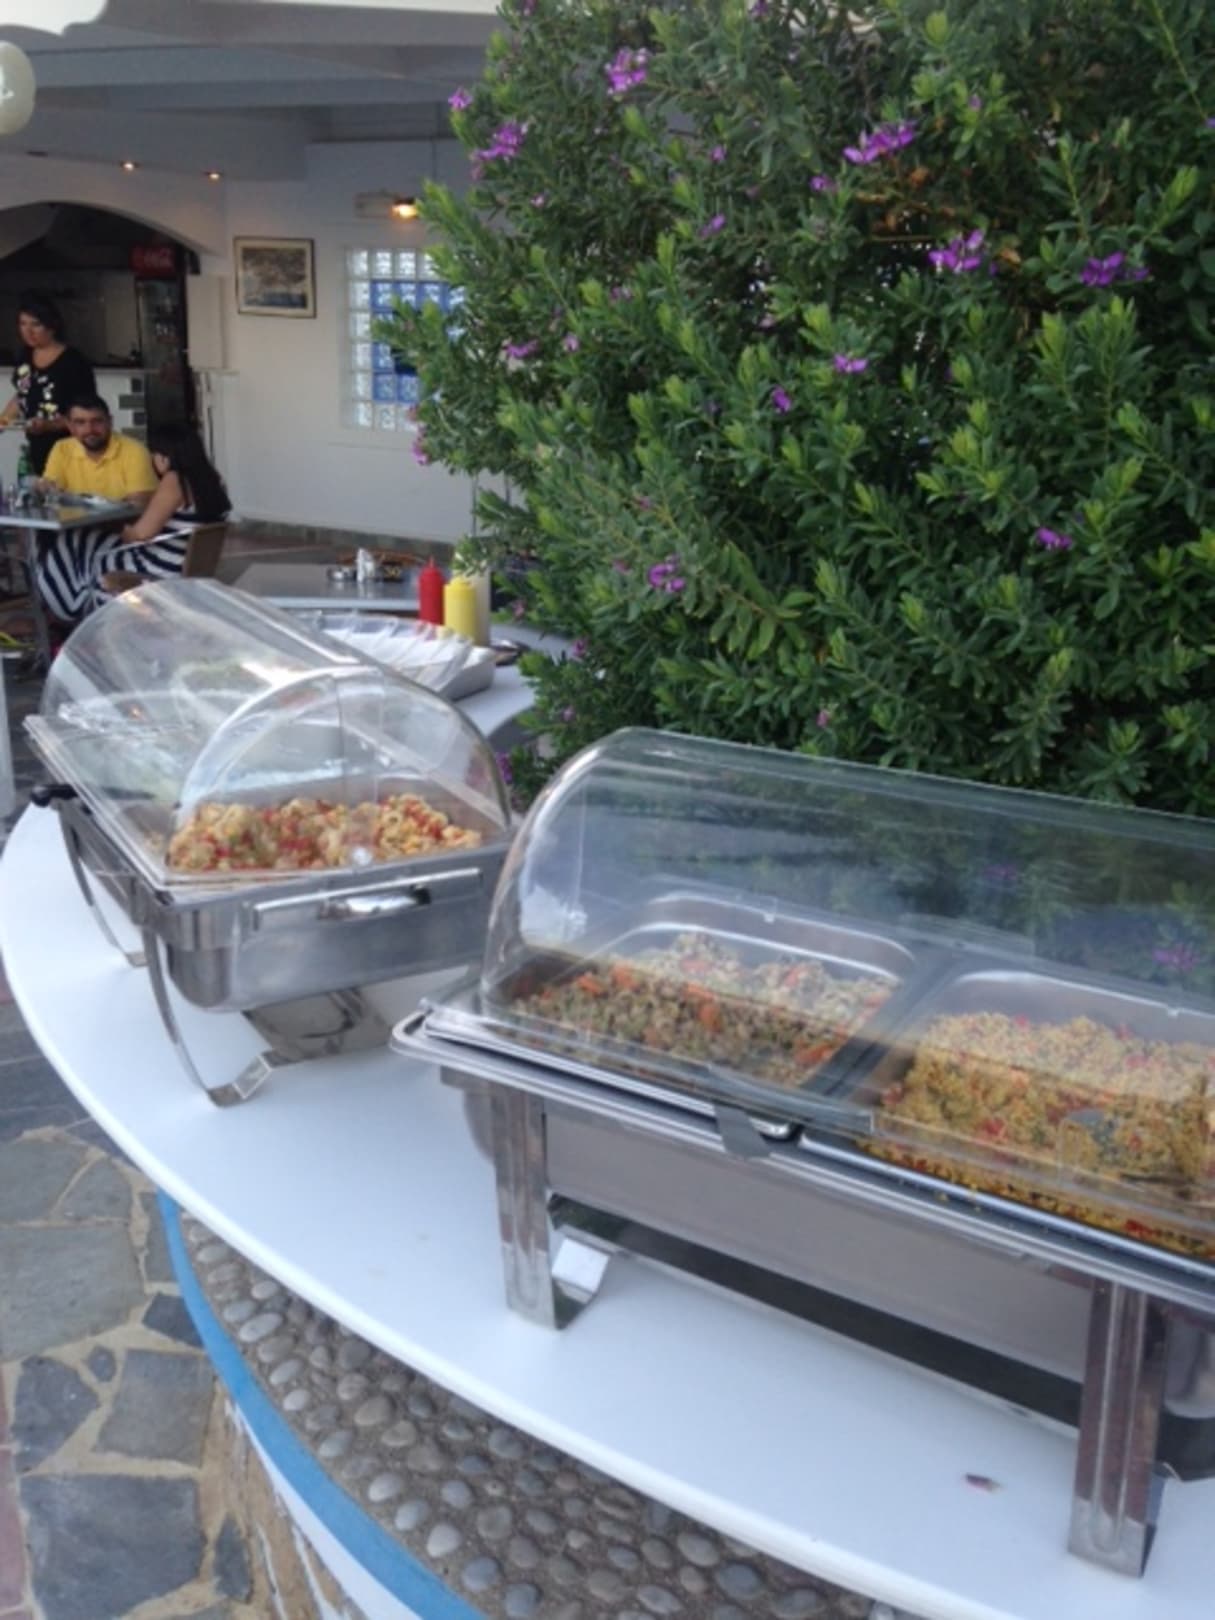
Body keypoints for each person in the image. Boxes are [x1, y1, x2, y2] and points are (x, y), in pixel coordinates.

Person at [38, 421, 229, 622]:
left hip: (155, 567)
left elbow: (140, 535)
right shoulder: (213, 480)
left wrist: (110, 525)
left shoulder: (174, 481)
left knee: (75, 540)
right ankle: (72, 603)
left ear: (165, 456)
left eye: (154, 454)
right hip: (181, 563)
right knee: (92, 541)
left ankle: (65, 607)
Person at [0, 294, 97, 478]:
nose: (28, 331)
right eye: (23, 324)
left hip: (70, 449)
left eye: (36, 324)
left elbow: (88, 411)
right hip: (36, 448)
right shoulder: (25, 356)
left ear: (52, 326)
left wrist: (50, 425)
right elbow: (22, 395)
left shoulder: (73, 362)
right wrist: (2, 422)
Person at [40, 394, 157, 503]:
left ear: (110, 422)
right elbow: (51, 494)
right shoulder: (62, 449)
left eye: (97, 421)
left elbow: (137, 504)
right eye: (80, 422)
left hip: (123, 519)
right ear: (70, 426)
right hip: (74, 518)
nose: (89, 429)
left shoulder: (134, 451)